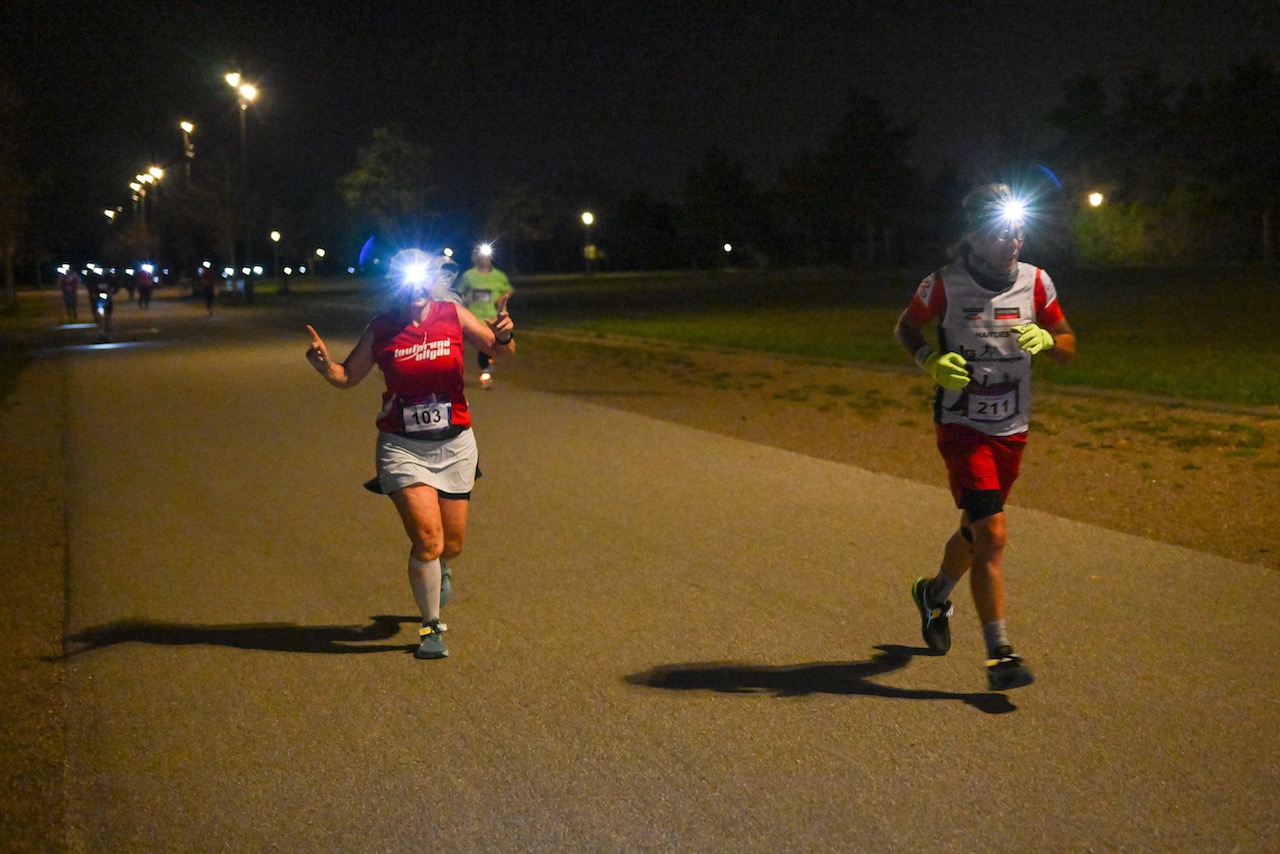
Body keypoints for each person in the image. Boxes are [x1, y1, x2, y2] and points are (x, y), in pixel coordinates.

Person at [892, 183, 1077, 691]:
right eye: (1000, 233)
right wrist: (929, 359)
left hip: (1012, 430)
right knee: (993, 533)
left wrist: (1049, 341)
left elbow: (1067, 343)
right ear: (972, 238)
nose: (1013, 240)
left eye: (1018, 230)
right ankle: (1001, 654)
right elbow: (906, 327)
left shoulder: (1038, 283)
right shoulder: (944, 284)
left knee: (976, 531)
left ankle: (934, 595)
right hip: (962, 426)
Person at [304, 249, 515, 660]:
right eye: (407, 283)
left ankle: (440, 567)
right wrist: (324, 365)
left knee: (451, 545)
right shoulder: (382, 327)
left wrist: (504, 334)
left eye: (424, 282)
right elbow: (347, 377)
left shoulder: (451, 314)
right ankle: (431, 625)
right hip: (402, 447)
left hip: (454, 444)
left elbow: (499, 350)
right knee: (427, 539)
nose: (417, 291)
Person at [454, 244, 514, 387]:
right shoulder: (469, 276)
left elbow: (508, 290)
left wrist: (502, 298)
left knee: (486, 346)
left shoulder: (498, 276)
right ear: (477, 258)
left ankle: (485, 372)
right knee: (460, 347)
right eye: (482, 256)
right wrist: (465, 299)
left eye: (488, 256)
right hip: (472, 317)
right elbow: (459, 292)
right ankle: (453, 374)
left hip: (490, 317)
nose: (485, 259)